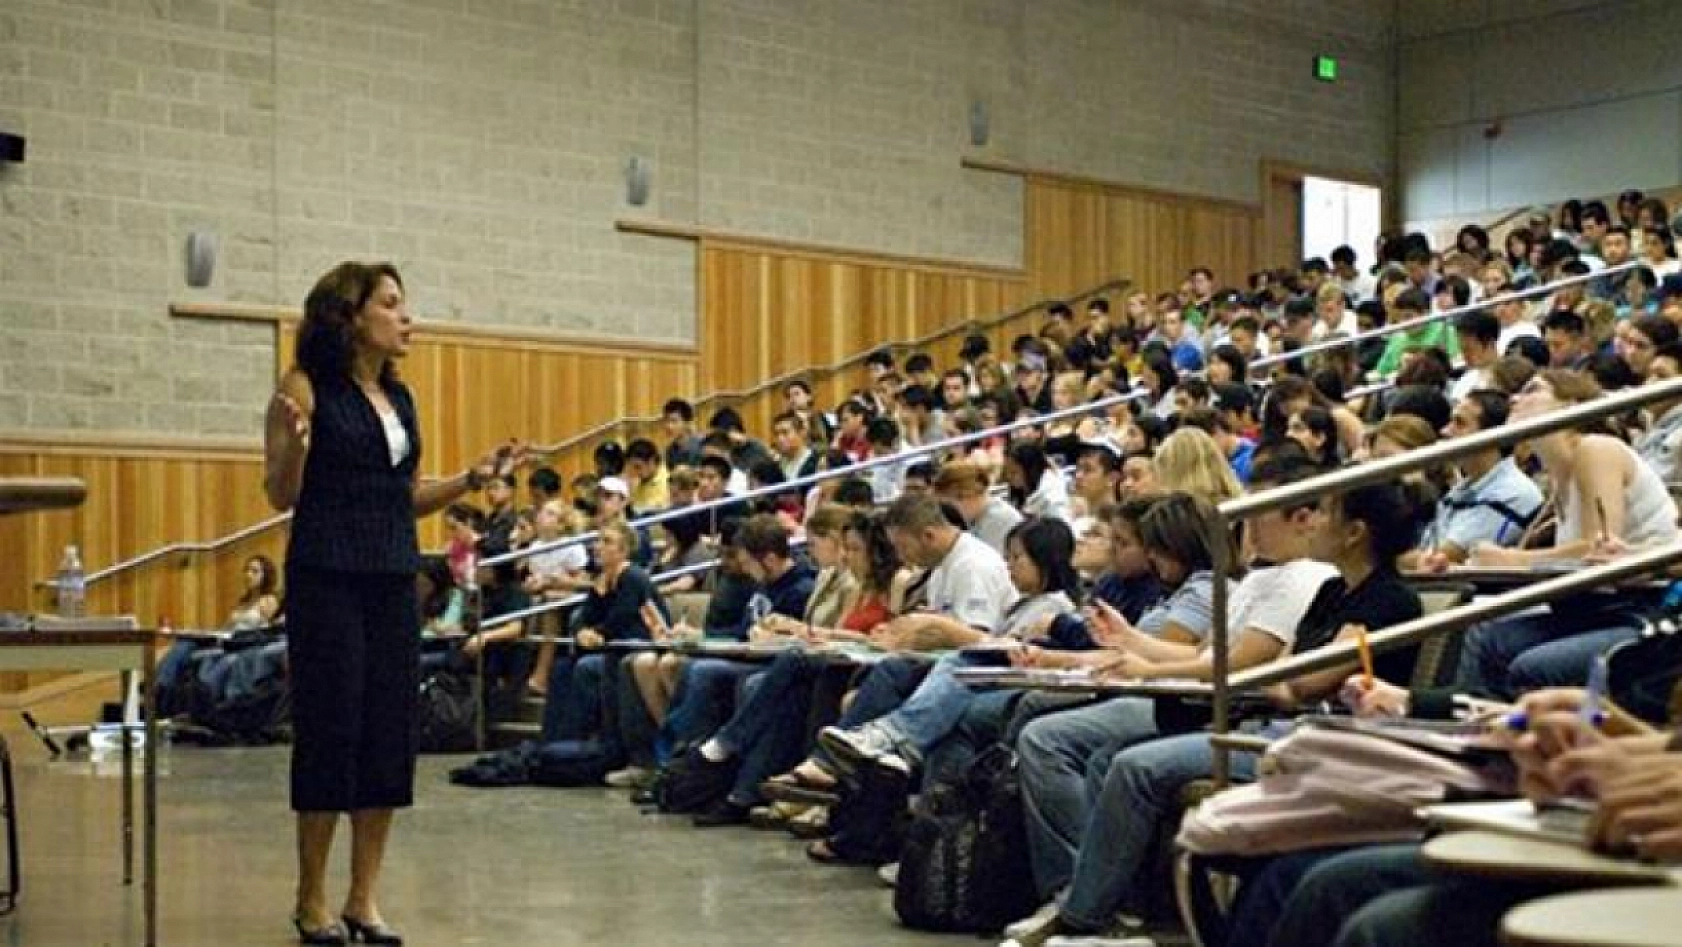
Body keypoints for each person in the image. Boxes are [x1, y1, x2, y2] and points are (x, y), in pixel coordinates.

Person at [265, 261, 519, 945]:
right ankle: (311, 896)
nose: (407, 317)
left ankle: (363, 897)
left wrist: (469, 479)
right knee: (331, 728)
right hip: (327, 575)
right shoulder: (305, 386)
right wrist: (295, 450)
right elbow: (281, 493)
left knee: (386, 732)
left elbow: (404, 497)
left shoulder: (400, 399)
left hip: (391, 576)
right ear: (350, 316)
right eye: (391, 304)